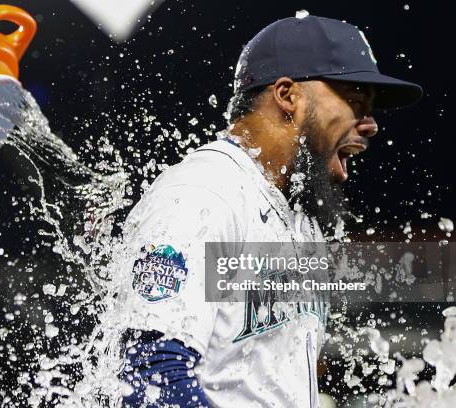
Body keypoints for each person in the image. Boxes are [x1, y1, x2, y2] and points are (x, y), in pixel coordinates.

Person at [117, 13, 422, 407]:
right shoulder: (202, 194)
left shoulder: (299, 214)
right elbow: (150, 378)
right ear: (287, 95)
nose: (371, 125)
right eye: (355, 101)